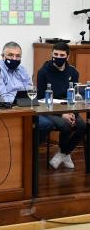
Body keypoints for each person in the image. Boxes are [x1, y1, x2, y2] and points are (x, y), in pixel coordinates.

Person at [36, 42, 87, 170]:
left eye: (62, 55)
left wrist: (71, 112)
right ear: (51, 54)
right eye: (56, 54)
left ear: (67, 56)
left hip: (69, 107)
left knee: (82, 125)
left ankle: (63, 153)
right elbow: (41, 98)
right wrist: (61, 114)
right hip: (49, 109)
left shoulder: (73, 71)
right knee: (66, 125)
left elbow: (74, 95)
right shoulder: (43, 71)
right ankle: (66, 152)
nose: (58, 57)